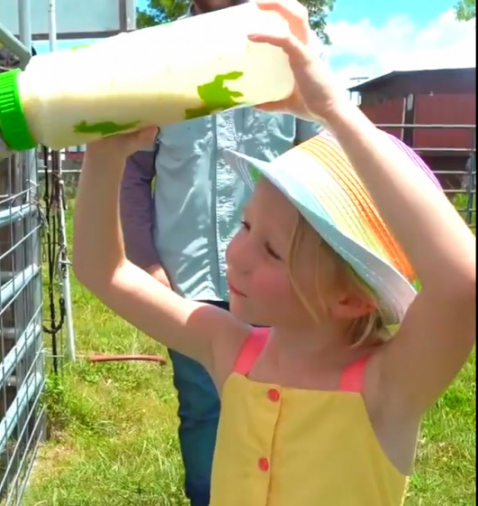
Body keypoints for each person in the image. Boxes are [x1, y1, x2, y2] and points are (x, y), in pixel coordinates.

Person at [73, 0, 477, 504]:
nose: (236, 252)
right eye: (244, 226)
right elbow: (101, 271)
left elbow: (462, 281)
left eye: (270, 249)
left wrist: (335, 110)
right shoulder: (229, 346)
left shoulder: (389, 386)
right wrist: (103, 154)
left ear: (351, 298)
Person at [119, 1, 322, 503]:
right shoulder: (159, 55)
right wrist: (146, 260)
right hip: (189, 281)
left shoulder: (284, 46)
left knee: (292, 403)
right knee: (204, 408)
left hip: (282, 279)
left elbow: (321, 161)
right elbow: (133, 171)